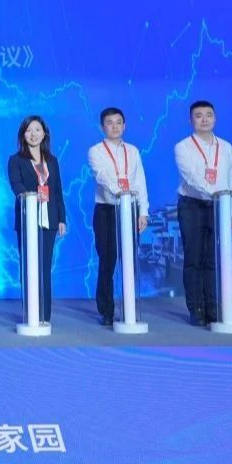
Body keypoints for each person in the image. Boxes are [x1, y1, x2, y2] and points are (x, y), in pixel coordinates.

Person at [173, 100, 232, 327]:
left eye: (209, 115)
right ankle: (196, 308)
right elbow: (192, 177)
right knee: (194, 259)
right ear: (191, 120)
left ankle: (213, 307)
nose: (204, 120)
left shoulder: (226, 147)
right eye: (199, 116)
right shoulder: (183, 147)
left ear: (215, 118)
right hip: (192, 205)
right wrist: (217, 194)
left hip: (219, 206)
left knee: (212, 259)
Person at [87, 107, 149, 326]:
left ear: (125, 125)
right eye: (109, 123)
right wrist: (121, 192)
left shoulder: (133, 151)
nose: (114, 126)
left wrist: (143, 211)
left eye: (118, 122)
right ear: (102, 127)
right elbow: (102, 176)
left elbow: (140, 181)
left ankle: (129, 309)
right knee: (107, 261)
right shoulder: (95, 151)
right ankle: (106, 311)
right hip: (106, 211)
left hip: (129, 210)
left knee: (129, 260)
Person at [7, 115, 67, 324]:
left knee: (45, 268)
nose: (33, 134)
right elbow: (16, 186)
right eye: (29, 130)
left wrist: (61, 218)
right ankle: (31, 313)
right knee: (29, 266)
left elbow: (57, 191)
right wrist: (30, 197)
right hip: (28, 220)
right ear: (23, 135)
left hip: (49, 220)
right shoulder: (16, 160)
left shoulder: (52, 161)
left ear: (44, 134)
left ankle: (45, 315)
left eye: (37, 130)